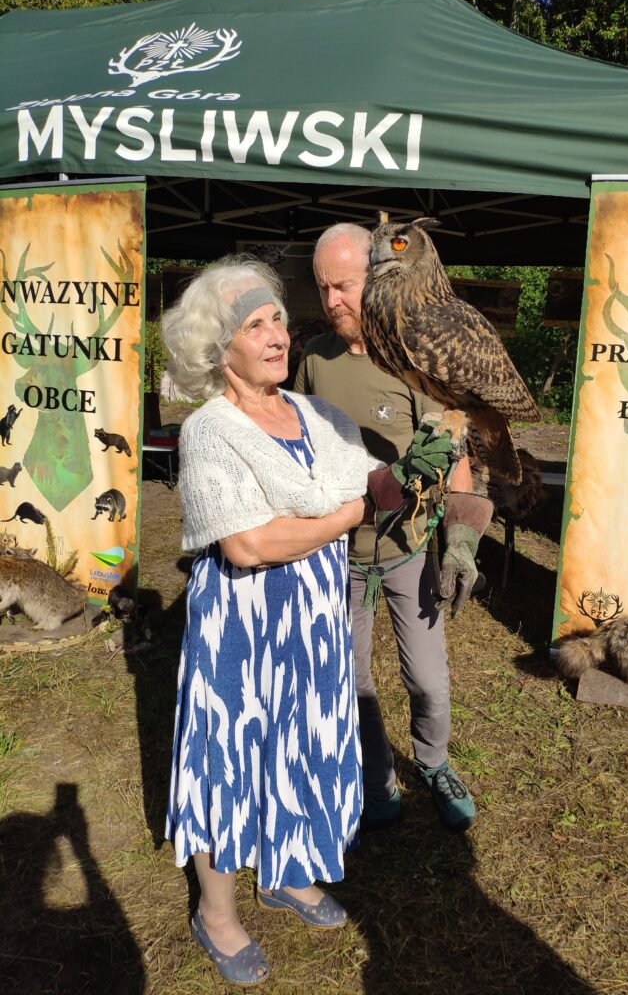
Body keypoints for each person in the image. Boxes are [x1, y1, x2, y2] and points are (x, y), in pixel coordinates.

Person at [162, 256, 373, 986]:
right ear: (218, 348)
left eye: (278, 318)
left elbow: (367, 480)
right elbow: (248, 544)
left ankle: (286, 871)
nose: (278, 336)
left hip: (313, 616)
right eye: (255, 326)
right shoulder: (209, 431)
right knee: (227, 755)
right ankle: (215, 912)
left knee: (301, 740)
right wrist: (348, 513)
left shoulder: (319, 417)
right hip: (240, 625)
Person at [294, 223, 491, 834]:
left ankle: (433, 763)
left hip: (409, 549)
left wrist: (460, 543)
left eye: (345, 286)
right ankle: (376, 776)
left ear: (377, 276)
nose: (333, 301)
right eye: (323, 288)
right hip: (337, 554)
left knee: (427, 680)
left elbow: (454, 449)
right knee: (353, 681)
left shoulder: (412, 357)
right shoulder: (313, 359)